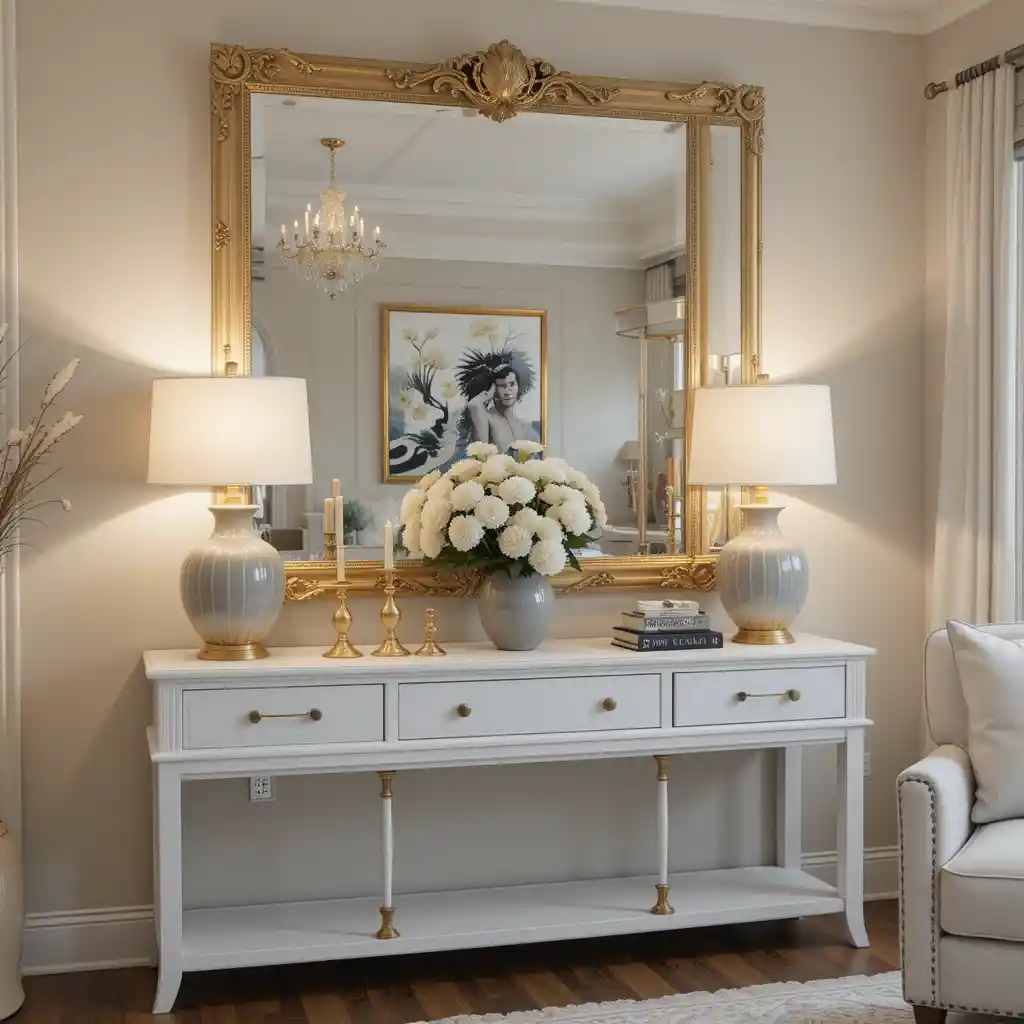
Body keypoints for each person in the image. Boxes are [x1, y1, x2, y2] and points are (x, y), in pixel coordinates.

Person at [454, 344, 540, 456]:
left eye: (512, 384)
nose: (508, 391)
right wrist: (488, 393)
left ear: (518, 387)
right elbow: (474, 405)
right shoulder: (487, 419)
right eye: (502, 386)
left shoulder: (526, 427)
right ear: (493, 389)